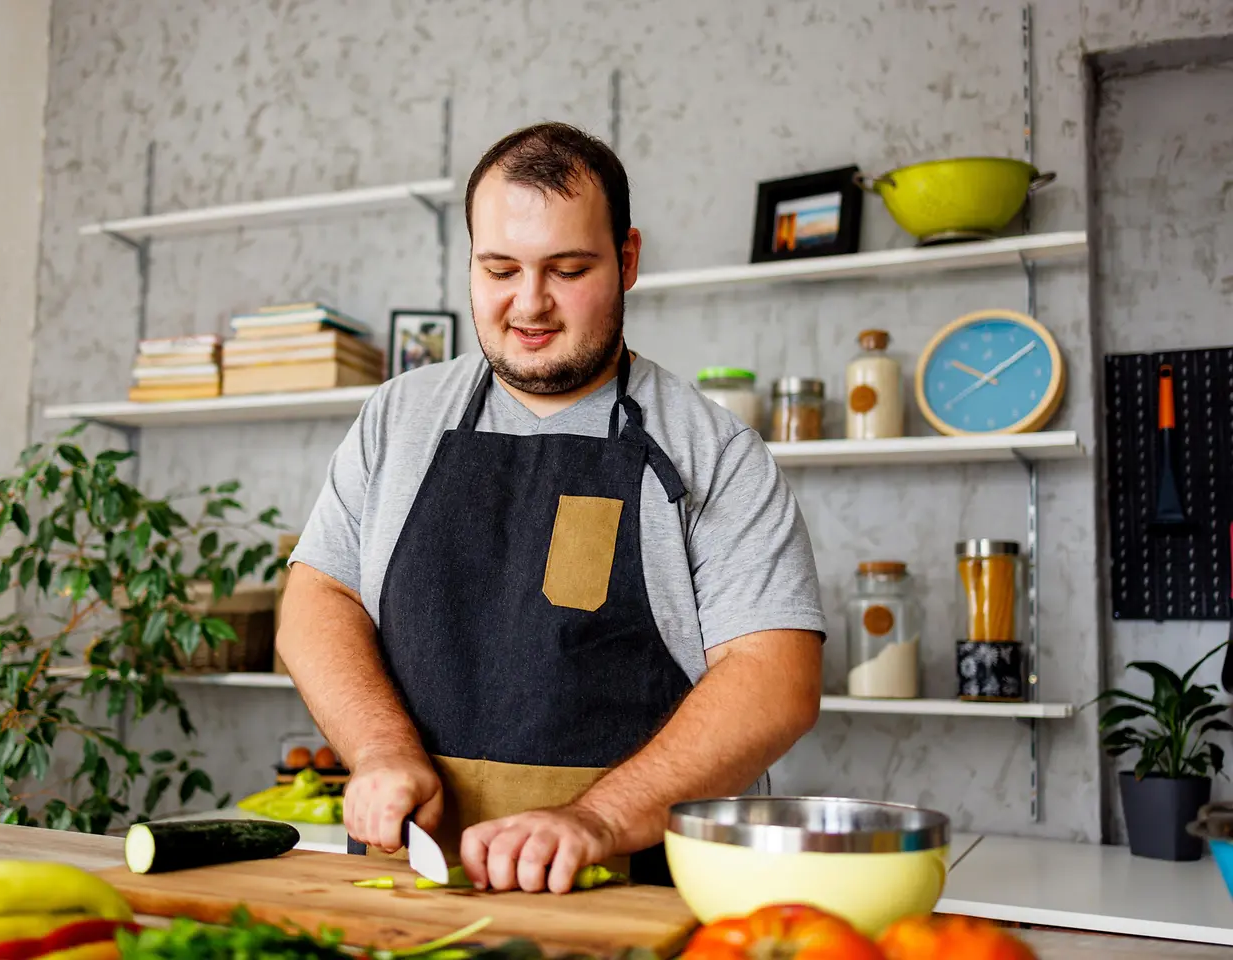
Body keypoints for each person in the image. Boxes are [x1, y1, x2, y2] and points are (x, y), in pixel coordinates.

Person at [276, 121, 825, 894]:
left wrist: (598, 819)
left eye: (567, 269)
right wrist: (379, 749)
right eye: (499, 269)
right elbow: (317, 598)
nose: (529, 305)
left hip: (639, 887)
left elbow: (775, 679)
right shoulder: (397, 420)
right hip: (413, 885)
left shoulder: (716, 452)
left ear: (628, 260)